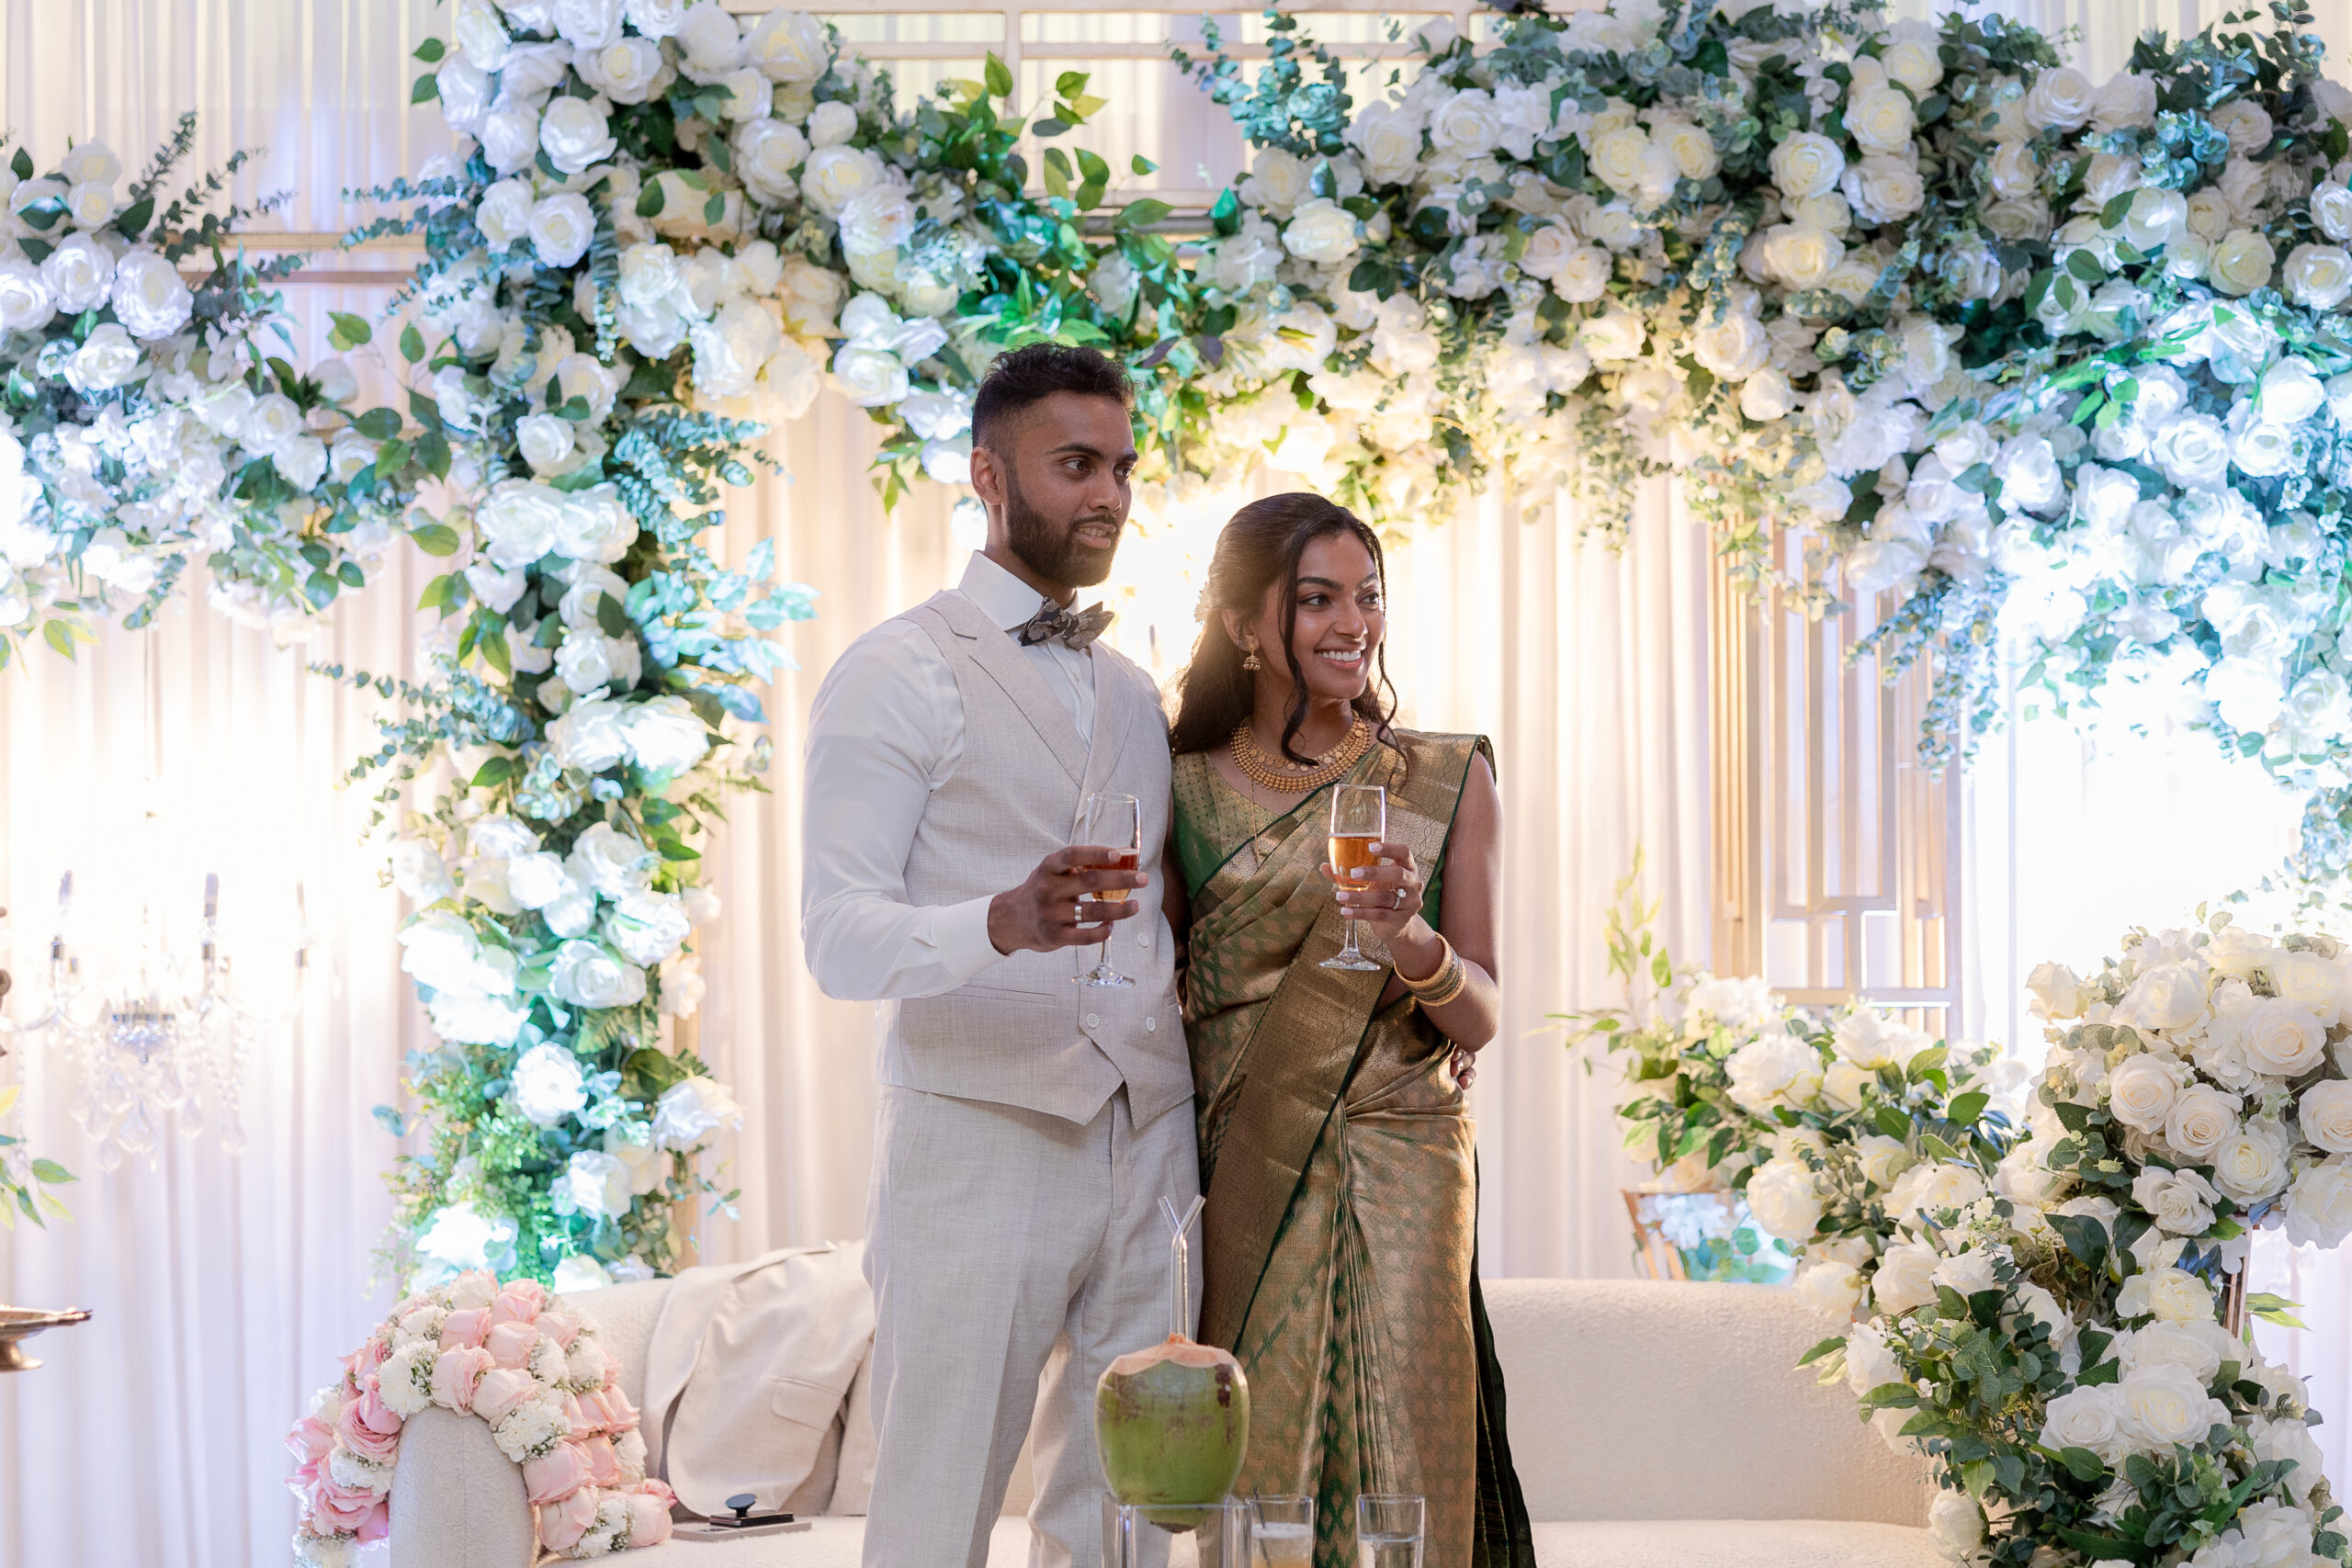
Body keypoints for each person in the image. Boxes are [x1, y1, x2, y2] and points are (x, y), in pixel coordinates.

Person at [799, 344, 1197, 1568]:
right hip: (974, 1135)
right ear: (987, 473)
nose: (1111, 495)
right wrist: (1001, 920)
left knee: (1130, 1510)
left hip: (1149, 1138)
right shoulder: (894, 670)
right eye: (1076, 464)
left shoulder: (1134, 691)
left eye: (1124, 467)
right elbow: (837, 937)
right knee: (934, 1503)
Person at [1162, 492, 1535, 1568]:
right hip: (1252, 1146)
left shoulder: (1442, 774)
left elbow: (1483, 1012)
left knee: (1410, 1421)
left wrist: (1407, 942)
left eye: (1366, 597)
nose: (1350, 623)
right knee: (1264, 1428)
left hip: (1407, 1142)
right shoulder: (1180, 786)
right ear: (1244, 626)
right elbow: (1159, 989)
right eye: (1315, 599)